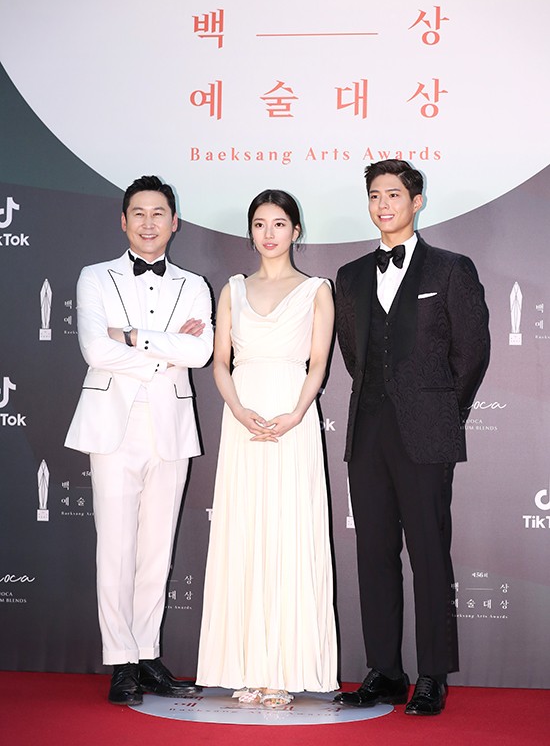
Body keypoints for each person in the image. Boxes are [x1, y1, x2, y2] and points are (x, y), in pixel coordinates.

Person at [334, 160, 490, 716]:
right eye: (374, 195)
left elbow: (471, 353)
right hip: (367, 431)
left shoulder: (451, 269)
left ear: (417, 201)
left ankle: (432, 675)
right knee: (373, 553)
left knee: (429, 554)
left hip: (427, 432)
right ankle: (384, 670)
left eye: (394, 195)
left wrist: (444, 411)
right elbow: (353, 354)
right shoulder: (349, 275)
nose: (383, 204)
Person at [65, 175, 213, 705]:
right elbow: (93, 351)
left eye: (159, 213)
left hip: (170, 428)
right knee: (116, 545)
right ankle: (120, 659)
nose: (149, 223)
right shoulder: (94, 277)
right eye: (139, 213)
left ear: (174, 222)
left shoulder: (194, 285)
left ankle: (147, 653)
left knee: (156, 549)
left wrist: (130, 337)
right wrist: (165, 351)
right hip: (112, 426)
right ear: (123, 220)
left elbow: (199, 355)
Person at [196, 189, 337, 708]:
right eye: (260, 223)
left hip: (292, 418)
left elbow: (318, 363)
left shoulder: (317, 289)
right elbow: (219, 363)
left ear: (296, 231)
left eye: (280, 223)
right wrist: (236, 409)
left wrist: (297, 414)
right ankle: (245, 666)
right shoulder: (231, 290)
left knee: (288, 532)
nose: (270, 233)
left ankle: (284, 667)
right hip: (244, 418)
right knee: (244, 533)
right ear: (250, 231)